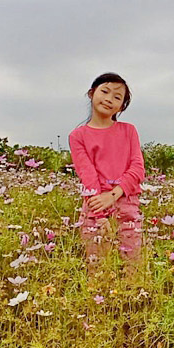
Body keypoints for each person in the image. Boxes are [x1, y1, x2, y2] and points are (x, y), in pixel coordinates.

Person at [68, 73, 145, 275]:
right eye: (105, 91)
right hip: (95, 205)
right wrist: (100, 214)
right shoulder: (78, 136)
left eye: (118, 97)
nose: (109, 99)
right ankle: (99, 303)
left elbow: (137, 167)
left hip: (126, 201)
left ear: (122, 107)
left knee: (132, 263)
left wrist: (114, 194)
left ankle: (131, 301)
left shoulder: (128, 130)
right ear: (91, 93)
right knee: (97, 265)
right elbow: (87, 175)